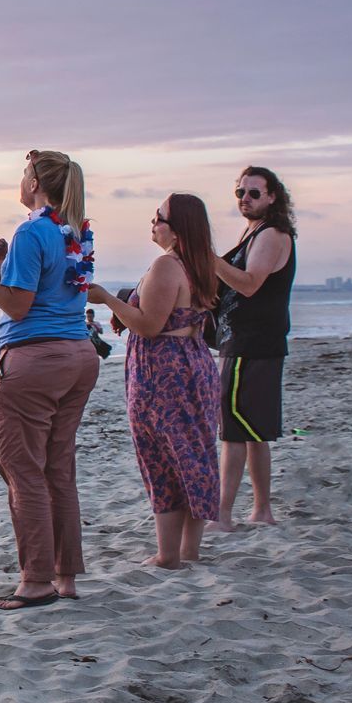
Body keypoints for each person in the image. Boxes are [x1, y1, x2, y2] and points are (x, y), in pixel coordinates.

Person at [0, 149, 98, 610]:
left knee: (22, 471)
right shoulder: (70, 231)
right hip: (77, 355)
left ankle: (35, 581)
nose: (20, 178)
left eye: (23, 172)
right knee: (57, 468)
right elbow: (37, 292)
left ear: (34, 183)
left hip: (34, 362)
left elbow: (17, 307)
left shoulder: (33, 230)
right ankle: (64, 576)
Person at [89, 195, 221, 570]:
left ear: (177, 230)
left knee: (162, 458)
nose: (153, 222)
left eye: (159, 217)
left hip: (164, 370)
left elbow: (149, 325)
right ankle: (189, 551)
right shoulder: (196, 265)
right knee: (193, 455)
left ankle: (168, 555)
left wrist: (105, 299)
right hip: (193, 363)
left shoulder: (167, 264)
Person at [211, 165, 296, 530]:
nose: (245, 199)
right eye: (240, 193)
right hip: (251, 342)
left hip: (252, 344)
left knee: (234, 432)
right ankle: (262, 510)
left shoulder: (272, 234)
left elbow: (249, 285)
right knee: (254, 431)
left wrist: (208, 259)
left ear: (273, 197)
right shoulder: (255, 233)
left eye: (254, 193)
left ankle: (223, 514)